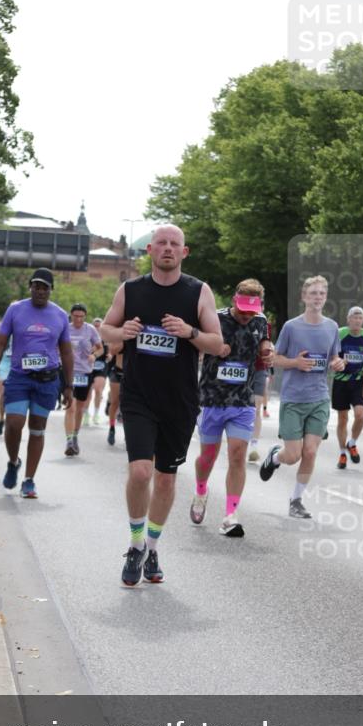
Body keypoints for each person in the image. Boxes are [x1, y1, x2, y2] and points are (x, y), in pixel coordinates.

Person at [101, 224, 223, 586]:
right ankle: (136, 543)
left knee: (167, 479)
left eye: (175, 244)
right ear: (150, 250)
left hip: (180, 400)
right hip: (139, 396)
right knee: (141, 472)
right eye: (162, 244)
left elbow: (217, 344)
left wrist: (190, 333)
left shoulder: (198, 292)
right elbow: (104, 329)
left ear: (184, 253)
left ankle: (152, 546)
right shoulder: (130, 290)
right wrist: (120, 334)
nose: (168, 249)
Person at [189, 279, 272, 537]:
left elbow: (264, 345)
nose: (247, 316)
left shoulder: (260, 321)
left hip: (242, 400)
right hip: (212, 397)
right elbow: (196, 342)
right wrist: (213, 345)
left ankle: (230, 515)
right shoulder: (216, 319)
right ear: (235, 299)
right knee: (208, 458)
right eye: (243, 310)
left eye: (252, 310)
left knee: (238, 455)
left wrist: (267, 349)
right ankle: (201, 489)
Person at [259, 275, 345, 518]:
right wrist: (296, 362)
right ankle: (276, 457)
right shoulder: (291, 327)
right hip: (294, 399)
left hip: (319, 398)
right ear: (304, 297)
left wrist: (338, 363)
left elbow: (333, 357)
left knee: (309, 452)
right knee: (293, 455)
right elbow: (274, 358)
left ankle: (296, 500)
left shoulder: (332, 327)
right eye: (313, 293)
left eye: (321, 293)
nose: (317, 297)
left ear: (325, 297)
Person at [0, 268, 73, 499]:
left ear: (51, 290)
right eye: (36, 286)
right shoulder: (15, 310)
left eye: (45, 287)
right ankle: (13, 461)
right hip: (19, 377)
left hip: (47, 380)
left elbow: (66, 352)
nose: (40, 290)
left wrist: (68, 386)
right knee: (14, 423)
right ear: (30, 287)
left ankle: (28, 480)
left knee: (37, 429)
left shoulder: (60, 315)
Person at [332, 306, 363, 469]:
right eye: (354, 318)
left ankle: (352, 443)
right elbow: (332, 354)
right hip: (341, 380)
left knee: (361, 414)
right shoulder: (340, 334)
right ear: (348, 319)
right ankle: (342, 453)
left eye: (360, 318)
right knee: (342, 418)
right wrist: (338, 362)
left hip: (358, 380)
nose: (357, 321)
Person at [64, 304, 103, 456]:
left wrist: (94, 355)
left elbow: (100, 348)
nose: (78, 319)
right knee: (70, 407)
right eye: (76, 316)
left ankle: (74, 437)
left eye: (81, 316)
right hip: (69, 372)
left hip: (85, 373)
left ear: (85, 316)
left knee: (80, 408)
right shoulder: (65, 328)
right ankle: (68, 440)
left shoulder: (90, 330)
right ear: (71, 315)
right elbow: (56, 346)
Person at [247, 286, 272, 462]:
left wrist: (269, 351)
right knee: (241, 407)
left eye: (260, 306)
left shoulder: (265, 323)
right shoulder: (236, 320)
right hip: (240, 369)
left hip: (259, 369)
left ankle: (253, 445)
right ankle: (239, 439)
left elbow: (267, 344)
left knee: (255, 407)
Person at [82, 316, 108, 425]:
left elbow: (110, 351)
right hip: (88, 368)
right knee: (87, 393)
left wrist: (110, 355)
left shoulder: (105, 339)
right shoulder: (88, 338)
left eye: (99, 326)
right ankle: (86, 414)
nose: (97, 328)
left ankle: (96, 414)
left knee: (98, 390)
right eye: (95, 326)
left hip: (101, 368)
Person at [0, 333, 13, 435]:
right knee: (3, 393)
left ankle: (10, 419)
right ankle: (1, 419)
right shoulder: (5, 331)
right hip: (5, 363)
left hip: (19, 363)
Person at [106, 342, 124, 446]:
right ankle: (112, 428)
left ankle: (128, 431)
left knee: (129, 404)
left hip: (131, 373)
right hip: (117, 372)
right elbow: (112, 350)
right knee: (115, 402)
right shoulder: (121, 334)